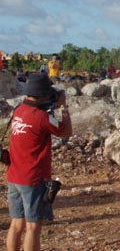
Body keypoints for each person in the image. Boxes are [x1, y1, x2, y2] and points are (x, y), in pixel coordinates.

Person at [6, 73, 72, 251]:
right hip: (33, 179)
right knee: (33, 227)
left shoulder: (19, 111)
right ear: (43, 94)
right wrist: (64, 108)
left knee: (16, 224)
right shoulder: (41, 117)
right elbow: (65, 132)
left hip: (14, 176)